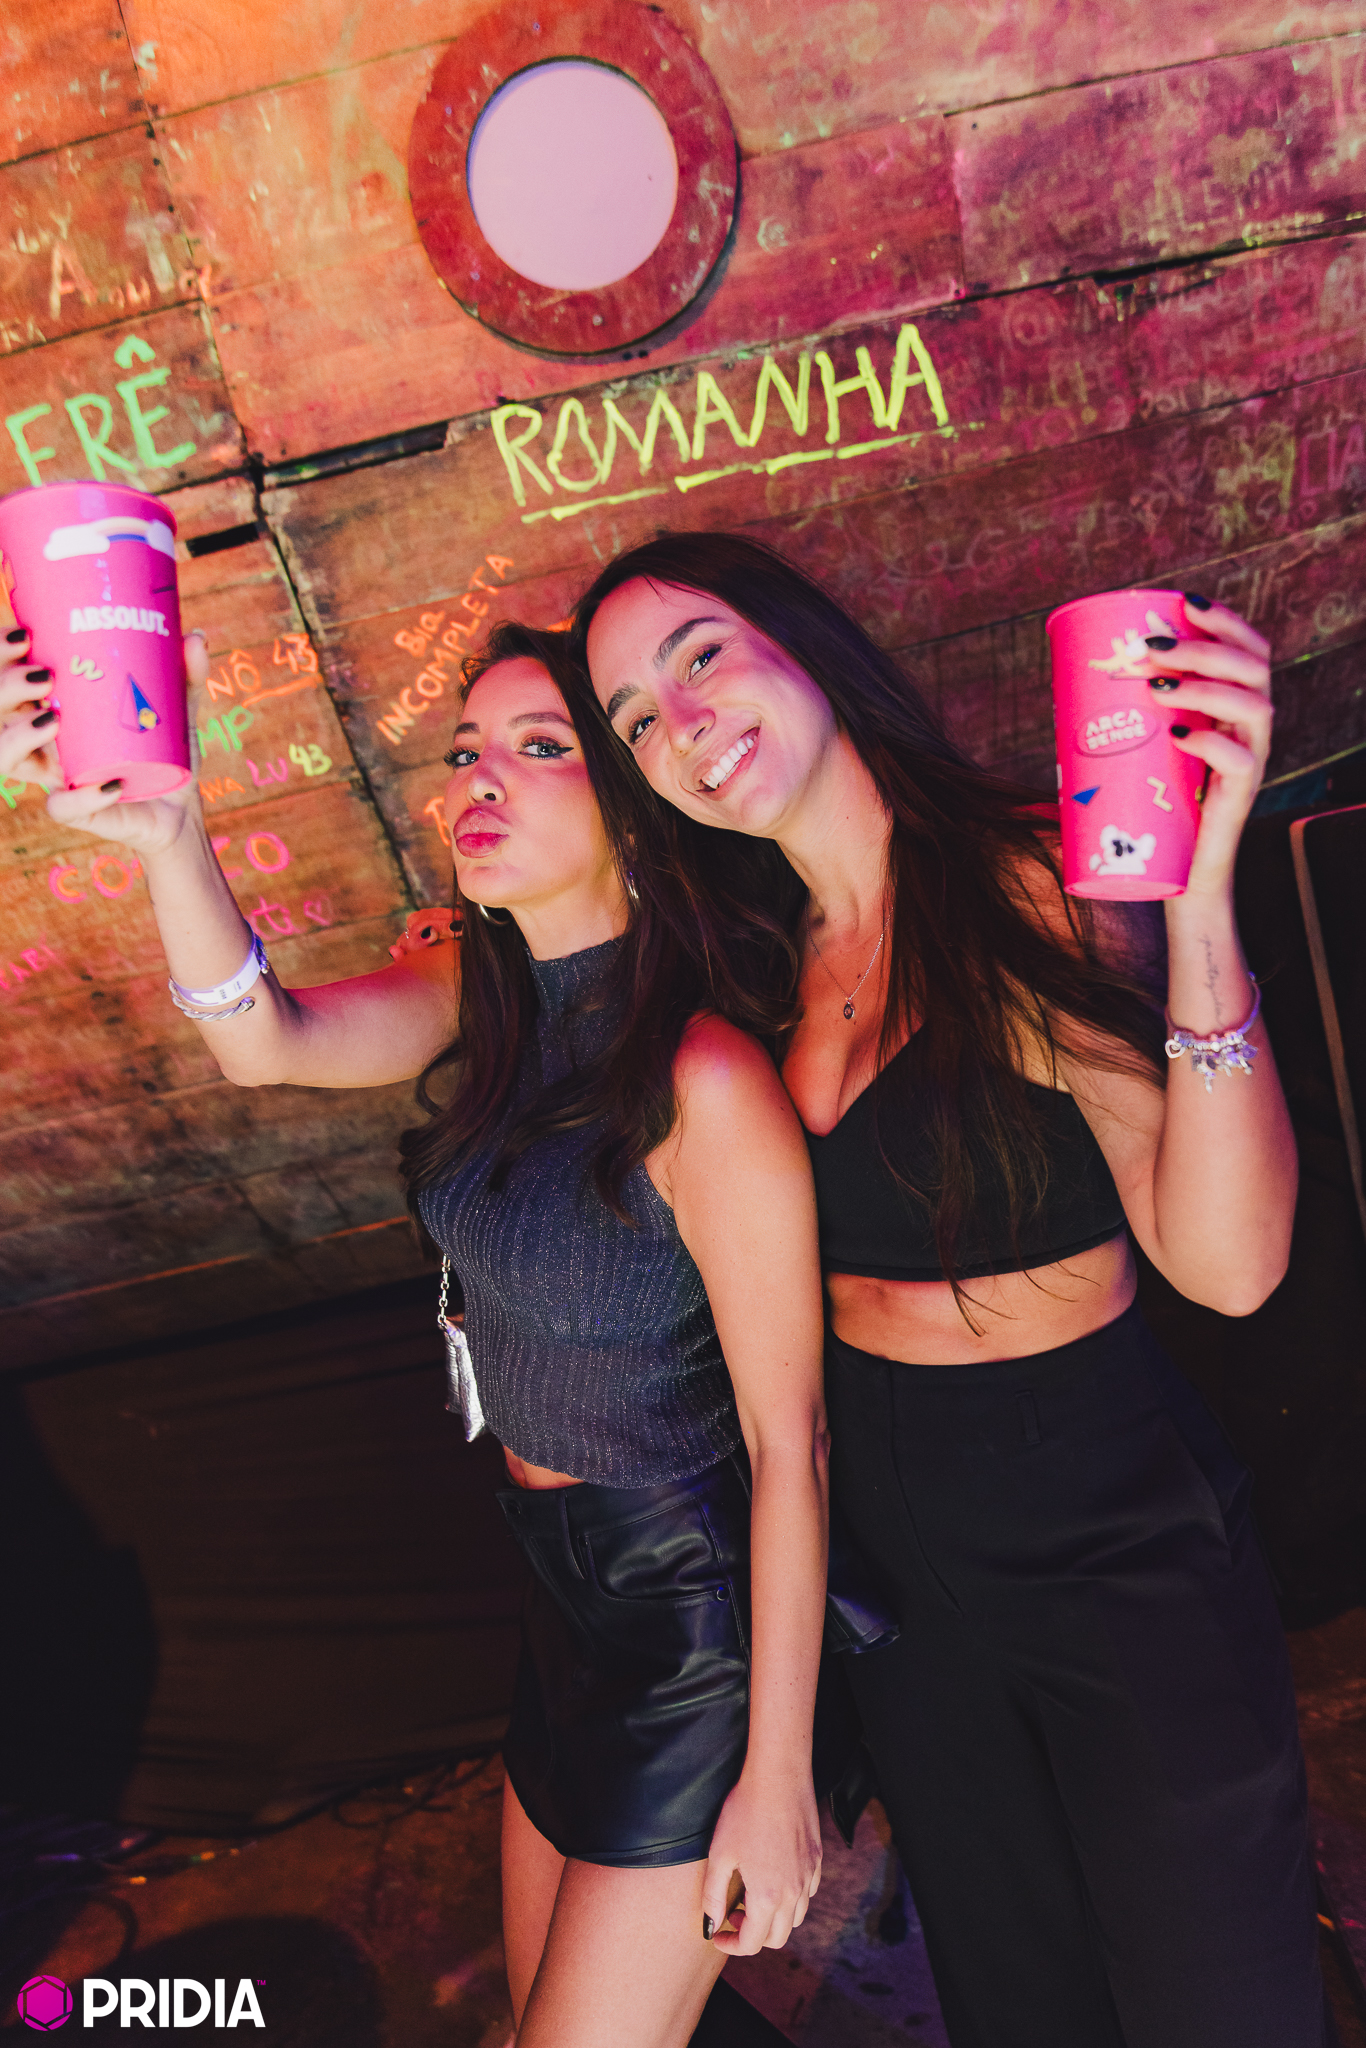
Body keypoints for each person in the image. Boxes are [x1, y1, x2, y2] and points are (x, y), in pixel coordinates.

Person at [0, 617, 831, 2048]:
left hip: (692, 1633)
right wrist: (171, 830)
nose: (476, 781)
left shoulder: (702, 1079)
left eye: (538, 746)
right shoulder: (478, 999)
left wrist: (781, 1771)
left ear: (632, 810)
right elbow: (261, 1040)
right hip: (559, 1603)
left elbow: (790, 1443)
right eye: (463, 752)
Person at [575, 533, 1330, 2048]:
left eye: (700, 655)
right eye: (634, 719)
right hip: (897, 1568)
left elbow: (1230, 1266)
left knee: (1216, 1998)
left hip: (1103, 1522)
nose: (680, 722)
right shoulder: (749, 967)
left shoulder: (1020, 886)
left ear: (803, 642)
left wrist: (1198, 897)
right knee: (1017, 1997)